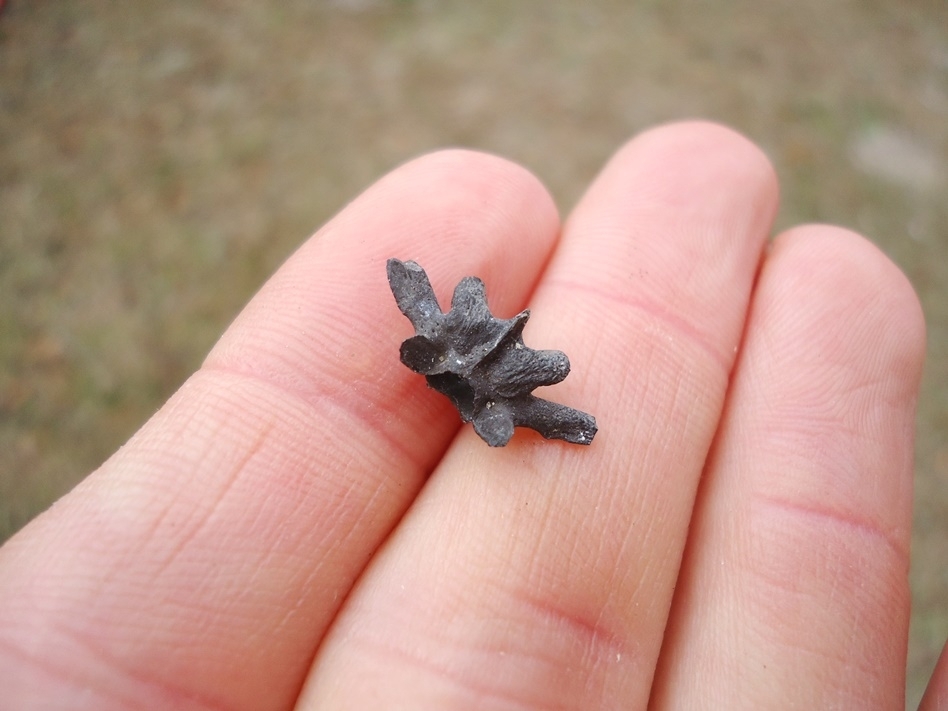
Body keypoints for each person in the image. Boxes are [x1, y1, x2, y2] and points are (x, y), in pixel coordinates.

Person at [0, 121, 943, 709]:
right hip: (490, 390)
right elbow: (459, 354)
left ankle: (543, 409)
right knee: (529, 412)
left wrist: (519, 399)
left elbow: (475, 352)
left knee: (537, 406)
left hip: (496, 384)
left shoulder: (467, 346)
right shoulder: (455, 359)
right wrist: (507, 400)